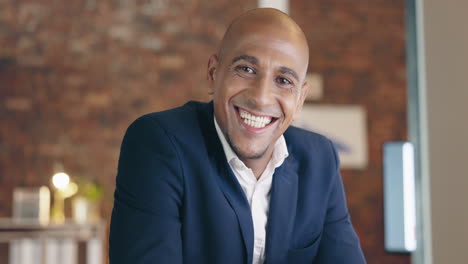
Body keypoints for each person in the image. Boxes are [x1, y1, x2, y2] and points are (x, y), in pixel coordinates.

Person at [109, 8, 366, 264]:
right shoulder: (158, 143)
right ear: (213, 74)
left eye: (284, 80)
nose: (261, 97)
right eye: (246, 69)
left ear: (300, 99)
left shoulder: (319, 160)